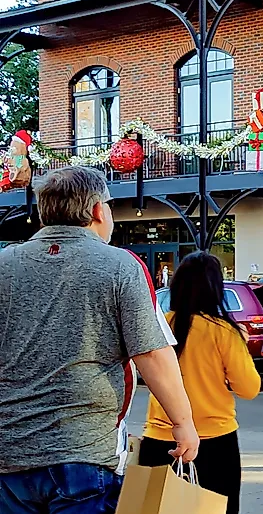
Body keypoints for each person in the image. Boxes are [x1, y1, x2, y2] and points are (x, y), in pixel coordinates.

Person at [0, 166, 199, 513]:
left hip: (9, 452)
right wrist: (182, 423)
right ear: (96, 210)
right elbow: (151, 354)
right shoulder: (120, 266)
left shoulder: (5, 264)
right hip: (84, 450)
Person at [140, 251, 262, 514]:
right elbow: (249, 388)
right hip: (214, 440)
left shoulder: (160, 326)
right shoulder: (223, 331)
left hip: (159, 438)